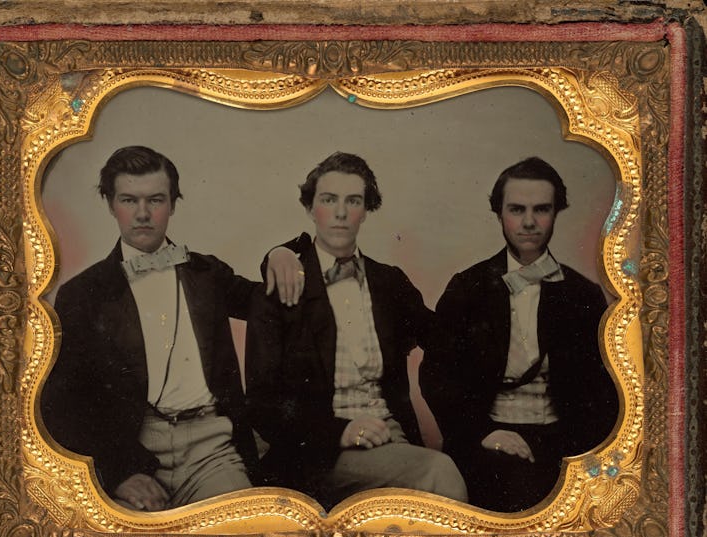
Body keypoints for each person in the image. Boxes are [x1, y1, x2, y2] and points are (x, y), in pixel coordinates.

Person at [41, 145, 304, 511]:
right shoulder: (81, 294)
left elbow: (272, 302)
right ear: (110, 204)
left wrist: (281, 253)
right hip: (131, 447)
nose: (143, 214)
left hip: (212, 450)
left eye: (156, 200)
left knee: (245, 534)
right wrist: (119, 472)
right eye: (129, 200)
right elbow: (65, 404)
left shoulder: (207, 273)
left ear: (173, 203)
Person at [245, 151, 468, 510]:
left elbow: (447, 341)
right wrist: (340, 431)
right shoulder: (282, 285)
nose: (340, 212)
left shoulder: (389, 282)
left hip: (391, 438)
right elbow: (262, 404)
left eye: (353, 201)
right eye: (328, 200)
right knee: (438, 474)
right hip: (320, 452)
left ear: (366, 210)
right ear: (310, 208)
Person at [419, 156, 619, 513]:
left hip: (563, 444)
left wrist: (581, 451)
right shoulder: (468, 286)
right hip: (487, 437)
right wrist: (483, 433)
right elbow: (436, 376)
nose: (529, 222)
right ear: (499, 214)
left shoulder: (582, 294)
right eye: (516, 209)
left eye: (541, 209)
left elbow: (602, 391)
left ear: (557, 212)